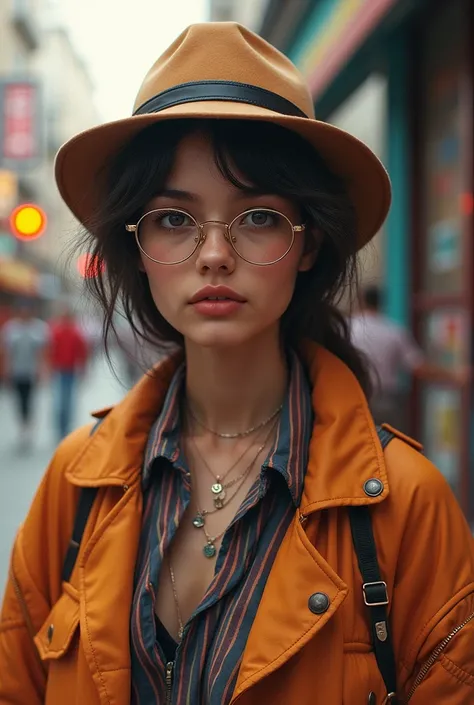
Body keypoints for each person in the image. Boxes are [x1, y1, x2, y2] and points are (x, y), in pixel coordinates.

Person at [0, 22, 473, 705]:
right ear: (135, 248)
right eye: (173, 218)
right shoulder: (74, 485)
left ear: (307, 243)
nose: (214, 253)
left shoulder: (407, 505)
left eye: (256, 217)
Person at [350, 285, 466, 429]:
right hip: (386, 401)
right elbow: (418, 367)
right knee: (388, 445)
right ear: (380, 304)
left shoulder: (347, 329)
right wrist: (453, 375)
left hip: (352, 396)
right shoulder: (392, 331)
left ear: (359, 302)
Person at [0, 301, 48, 450]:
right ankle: (23, 426)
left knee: (30, 400)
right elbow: (6, 351)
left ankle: (28, 427)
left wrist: (43, 370)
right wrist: (5, 370)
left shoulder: (38, 328)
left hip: (32, 372)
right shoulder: (10, 329)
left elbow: (43, 352)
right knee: (19, 401)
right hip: (16, 371)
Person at [48, 305, 88, 440]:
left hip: (65, 371)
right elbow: (50, 351)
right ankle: (62, 428)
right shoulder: (64, 331)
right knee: (64, 401)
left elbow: (82, 353)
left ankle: (62, 428)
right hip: (62, 370)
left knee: (63, 401)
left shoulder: (65, 331)